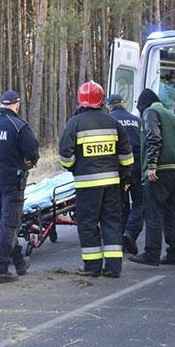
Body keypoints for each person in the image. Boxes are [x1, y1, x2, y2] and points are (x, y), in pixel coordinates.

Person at [59, 81, 134, 278]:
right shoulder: (113, 122)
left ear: (80, 100)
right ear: (101, 100)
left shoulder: (74, 123)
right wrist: (123, 177)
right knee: (111, 222)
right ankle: (113, 267)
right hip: (112, 183)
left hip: (87, 185)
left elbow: (65, 156)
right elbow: (127, 156)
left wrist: (76, 168)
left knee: (88, 223)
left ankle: (92, 266)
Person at [0, 90, 40, 283]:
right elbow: (32, 152)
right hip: (12, 181)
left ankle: (19, 261)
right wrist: (29, 162)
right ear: (17, 105)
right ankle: (0, 268)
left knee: (5, 223)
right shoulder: (19, 126)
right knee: (11, 225)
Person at [129, 88, 175, 267]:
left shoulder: (151, 112)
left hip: (159, 169)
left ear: (143, 106)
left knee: (152, 212)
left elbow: (154, 137)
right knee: (170, 212)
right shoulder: (172, 116)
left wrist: (152, 165)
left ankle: (152, 253)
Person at [106, 94, 144, 255]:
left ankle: (121, 238)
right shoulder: (136, 120)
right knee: (140, 202)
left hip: (117, 167)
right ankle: (131, 233)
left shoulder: (108, 121)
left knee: (120, 204)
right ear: (123, 103)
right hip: (137, 165)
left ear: (109, 106)